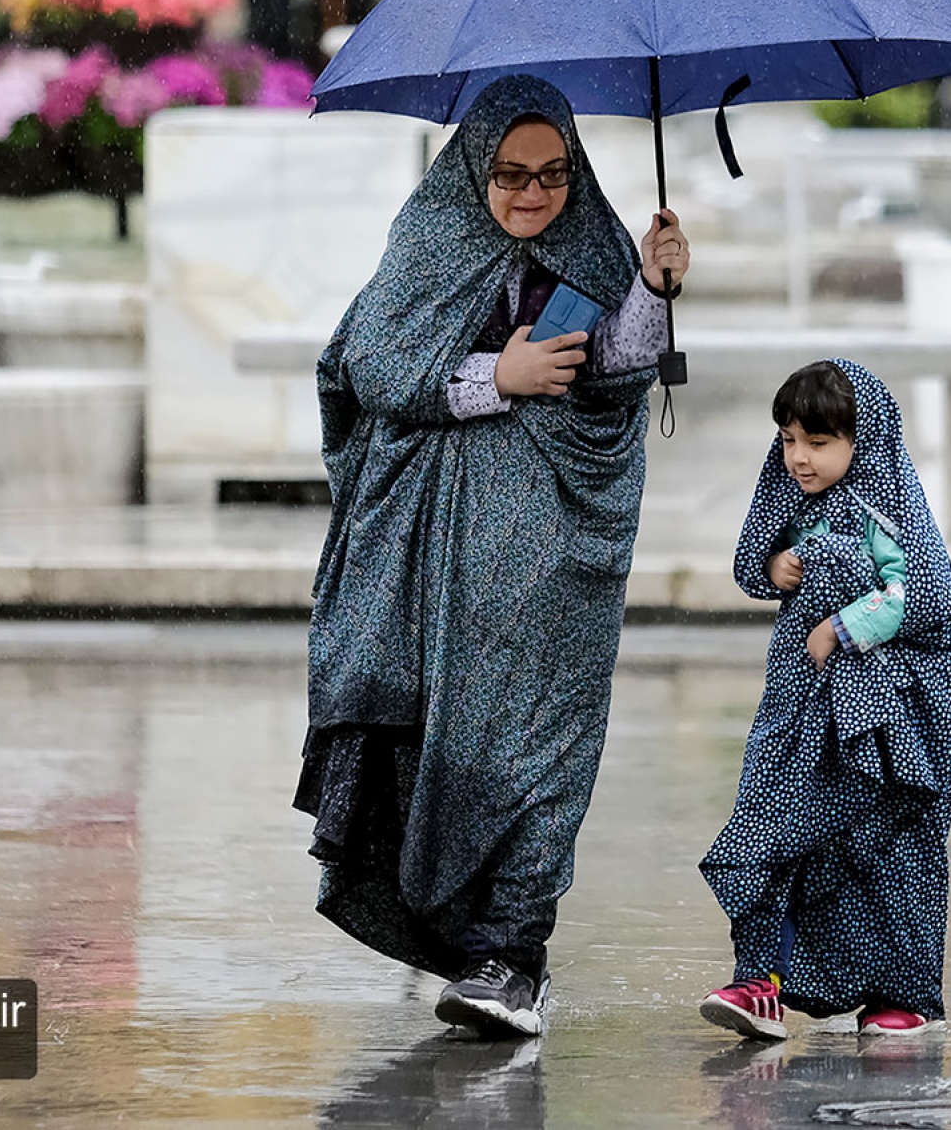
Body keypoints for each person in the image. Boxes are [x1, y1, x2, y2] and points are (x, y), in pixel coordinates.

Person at [293, 74, 690, 1040]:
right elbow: (368, 361)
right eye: (511, 174)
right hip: (435, 568)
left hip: (555, 559)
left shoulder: (591, 240)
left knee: (540, 747)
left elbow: (621, 372)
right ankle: (479, 948)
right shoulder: (429, 241)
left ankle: (516, 951)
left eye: (553, 173)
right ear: (475, 169)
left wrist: (652, 285)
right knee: (449, 742)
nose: (531, 194)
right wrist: (492, 376)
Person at [697, 359, 951, 1042]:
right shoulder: (794, 505)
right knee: (772, 826)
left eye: (818, 443)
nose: (799, 457)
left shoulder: (885, 509)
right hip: (800, 706)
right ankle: (759, 979)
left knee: (883, 846)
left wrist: (844, 627)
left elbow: (922, 596)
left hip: (876, 718)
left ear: (864, 440)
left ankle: (898, 990)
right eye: (789, 440)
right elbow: (758, 565)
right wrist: (775, 566)